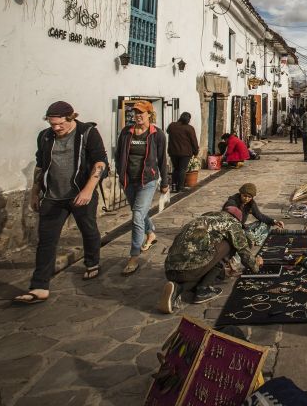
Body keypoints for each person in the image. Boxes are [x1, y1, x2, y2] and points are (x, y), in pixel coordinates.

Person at [14, 101, 108, 304]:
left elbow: (100, 162)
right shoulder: (45, 136)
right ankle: (39, 286)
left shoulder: (87, 133)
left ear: (71, 118)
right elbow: (40, 166)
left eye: (60, 124)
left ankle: (92, 263)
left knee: (88, 229)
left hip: (81, 193)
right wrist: (34, 192)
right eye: (52, 124)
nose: (56, 128)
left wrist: (88, 190)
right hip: (53, 197)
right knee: (46, 241)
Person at [158, 207, 265, 313]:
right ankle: (204, 289)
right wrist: (255, 264)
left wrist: (222, 272)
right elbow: (243, 250)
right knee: (231, 244)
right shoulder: (232, 223)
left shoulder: (204, 218)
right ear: (238, 219)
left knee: (197, 266)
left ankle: (178, 289)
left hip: (170, 269)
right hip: (191, 268)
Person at [115, 100, 169, 276]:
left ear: (149, 114)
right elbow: (118, 155)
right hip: (129, 181)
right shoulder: (126, 132)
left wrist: (165, 182)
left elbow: (162, 160)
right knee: (140, 212)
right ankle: (150, 234)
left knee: (137, 216)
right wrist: (120, 172)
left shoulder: (157, 134)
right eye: (135, 112)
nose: (137, 115)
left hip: (148, 181)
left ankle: (134, 256)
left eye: (141, 113)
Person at [167, 112, 199, 193]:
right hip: (185, 153)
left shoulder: (172, 125)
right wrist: (196, 152)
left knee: (176, 169)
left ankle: (174, 186)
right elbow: (194, 141)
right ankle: (180, 187)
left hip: (173, 151)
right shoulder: (189, 128)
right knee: (182, 169)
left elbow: (168, 131)